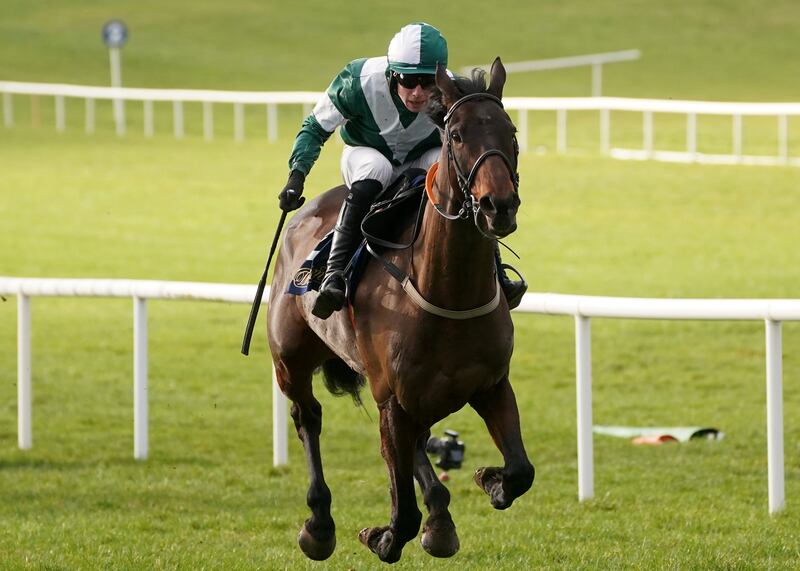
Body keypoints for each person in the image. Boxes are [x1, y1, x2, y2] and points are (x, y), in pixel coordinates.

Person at [278, 22, 526, 319]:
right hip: (367, 152)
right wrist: (297, 175)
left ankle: (497, 272)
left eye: (426, 81)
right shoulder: (358, 80)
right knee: (376, 170)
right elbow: (315, 128)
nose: (418, 92)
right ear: (392, 73)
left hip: (422, 157)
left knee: (451, 173)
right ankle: (334, 274)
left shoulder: (452, 90)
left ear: (440, 76)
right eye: (408, 80)